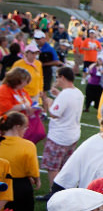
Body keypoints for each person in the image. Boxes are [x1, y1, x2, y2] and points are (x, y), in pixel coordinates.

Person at [39, 67, 82, 196]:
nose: (56, 80)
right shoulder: (77, 92)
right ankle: (62, 193)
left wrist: (47, 102)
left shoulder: (65, 94)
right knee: (64, 167)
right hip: (72, 135)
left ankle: (54, 194)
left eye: (57, 77)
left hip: (59, 136)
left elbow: (54, 114)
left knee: (52, 167)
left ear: (63, 77)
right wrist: (58, 95)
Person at [0, 112, 39, 211]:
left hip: (1, 185)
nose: (26, 130)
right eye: (25, 127)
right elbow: (32, 170)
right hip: (20, 187)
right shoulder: (27, 145)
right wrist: (36, 180)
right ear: (17, 127)